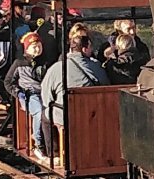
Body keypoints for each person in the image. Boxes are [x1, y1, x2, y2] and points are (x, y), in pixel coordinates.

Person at [38, 24, 107, 157]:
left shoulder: (56, 68)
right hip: (93, 113)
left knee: (45, 115)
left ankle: (54, 154)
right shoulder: (97, 67)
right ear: (86, 48)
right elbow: (105, 86)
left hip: (66, 114)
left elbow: (46, 97)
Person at [8, 30, 51, 152]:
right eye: (34, 47)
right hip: (28, 94)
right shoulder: (19, 63)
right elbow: (8, 81)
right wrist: (18, 93)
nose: (37, 49)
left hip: (44, 92)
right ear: (27, 49)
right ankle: (38, 141)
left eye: (39, 46)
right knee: (39, 111)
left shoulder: (46, 62)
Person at [101, 20, 150, 85]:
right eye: (128, 29)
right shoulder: (107, 49)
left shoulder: (141, 47)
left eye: (134, 28)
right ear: (119, 31)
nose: (132, 32)